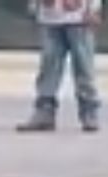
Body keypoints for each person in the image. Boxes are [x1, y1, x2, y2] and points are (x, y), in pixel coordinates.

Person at [17, 0, 103, 133]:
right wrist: (34, 7)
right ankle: (44, 112)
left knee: (83, 67)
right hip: (50, 18)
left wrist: (93, 8)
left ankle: (89, 112)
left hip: (79, 18)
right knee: (49, 67)